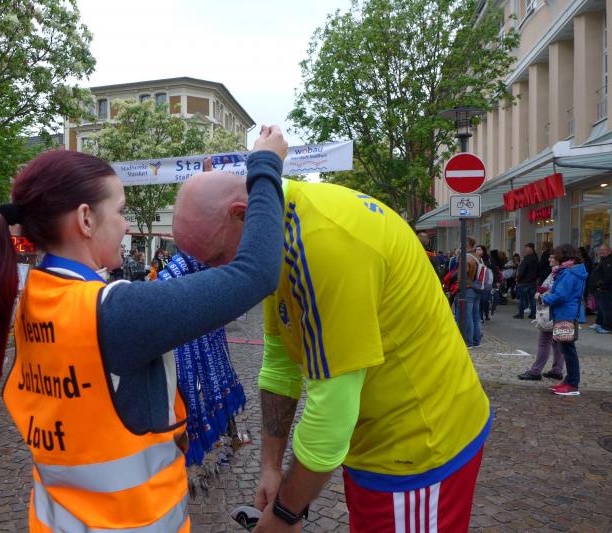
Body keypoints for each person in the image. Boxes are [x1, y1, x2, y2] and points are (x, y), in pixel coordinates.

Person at [0, 126, 287, 532]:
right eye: (120, 211)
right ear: (86, 219)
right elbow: (256, 273)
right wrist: (266, 165)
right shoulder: (115, 313)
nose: (124, 226)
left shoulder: (37, 297)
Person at [173, 172, 491, 532]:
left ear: (242, 214)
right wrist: (270, 468)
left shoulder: (323, 243)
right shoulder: (275, 237)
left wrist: (286, 514)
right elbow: (279, 363)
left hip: (420, 447)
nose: (220, 273)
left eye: (218, 257)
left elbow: (331, 416)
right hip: (376, 444)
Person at [540, 244, 587, 396]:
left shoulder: (569, 273)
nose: (555, 257)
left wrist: (544, 299)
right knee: (566, 349)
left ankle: (572, 384)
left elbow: (561, 295)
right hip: (566, 313)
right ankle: (569, 381)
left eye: (557, 254)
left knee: (568, 350)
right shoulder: (571, 271)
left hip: (565, 314)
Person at [517, 252, 564, 381]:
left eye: (552, 257)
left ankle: (536, 371)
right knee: (558, 342)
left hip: (553, 311)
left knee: (545, 341)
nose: (549, 259)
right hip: (560, 312)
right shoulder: (559, 272)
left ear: (559, 259)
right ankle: (557, 370)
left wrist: (540, 296)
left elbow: (554, 292)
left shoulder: (558, 273)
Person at [458, 237, 485, 347]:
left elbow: (463, 275)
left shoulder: (465, 257)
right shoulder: (478, 257)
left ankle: (468, 341)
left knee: (467, 316)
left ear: (467, 243)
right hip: (477, 288)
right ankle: (476, 340)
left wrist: (459, 286)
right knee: (476, 316)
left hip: (468, 288)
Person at [588, 243, 611, 333]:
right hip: (599, 289)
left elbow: (608, 276)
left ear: (609, 251)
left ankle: (607, 327)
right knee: (600, 308)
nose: (601, 252)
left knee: (606, 308)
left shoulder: (609, 261)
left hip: (605, 290)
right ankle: (599, 323)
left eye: (604, 250)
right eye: (600, 250)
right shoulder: (603, 259)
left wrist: (600, 286)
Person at [514, 243, 538, 319]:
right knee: (532, 299)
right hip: (532, 282)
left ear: (526, 252)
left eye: (524, 251)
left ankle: (521, 314)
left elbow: (521, 271)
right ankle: (533, 314)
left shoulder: (525, 260)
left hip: (524, 282)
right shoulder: (535, 259)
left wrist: (518, 279)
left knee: (522, 299)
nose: (522, 252)